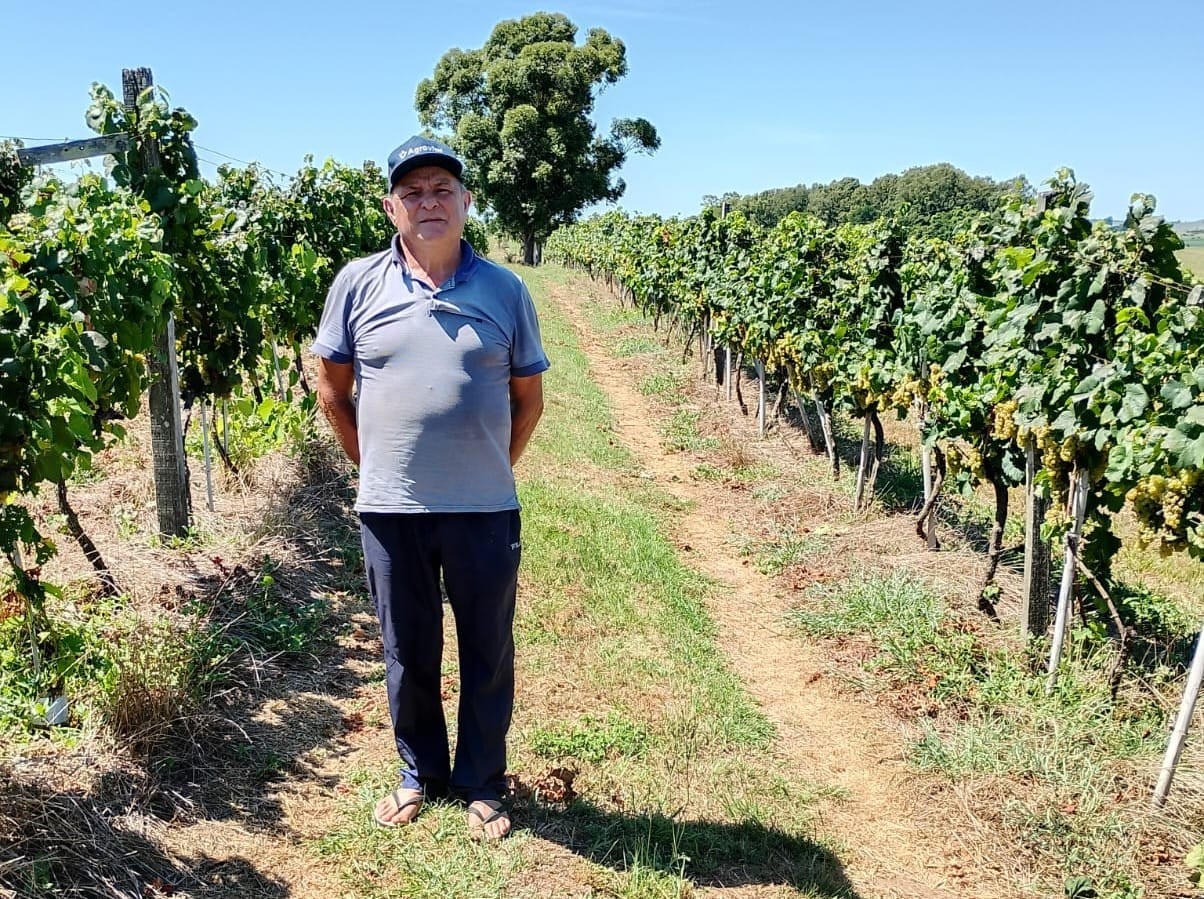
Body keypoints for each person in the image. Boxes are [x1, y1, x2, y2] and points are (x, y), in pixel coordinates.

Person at [312, 135, 548, 841]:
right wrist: (375, 463)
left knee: (487, 647)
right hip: (390, 508)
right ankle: (419, 774)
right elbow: (330, 388)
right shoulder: (357, 282)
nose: (428, 202)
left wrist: (489, 466)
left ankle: (482, 782)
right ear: (391, 206)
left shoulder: (506, 289)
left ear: (467, 202)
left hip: (484, 508)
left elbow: (529, 398)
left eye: (442, 188)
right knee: (407, 648)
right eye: (412, 192)